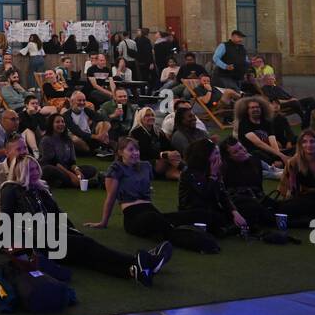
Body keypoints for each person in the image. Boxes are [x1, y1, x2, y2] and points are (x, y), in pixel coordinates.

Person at [0, 172, 171, 287]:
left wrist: (73, 230)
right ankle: (140, 261)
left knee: (87, 257)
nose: (36, 172)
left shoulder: (40, 191)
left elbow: (59, 215)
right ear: (21, 171)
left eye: (36, 168)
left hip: (52, 234)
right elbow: (5, 224)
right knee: (87, 246)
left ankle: (134, 270)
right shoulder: (11, 190)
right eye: (31, 169)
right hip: (38, 241)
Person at [86, 137, 218, 251]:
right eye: (130, 150)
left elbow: (176, 166)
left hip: (152, 211)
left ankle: (219, 230)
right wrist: (103, 222)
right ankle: (198, 242)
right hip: (133, 217)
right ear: (121, 152)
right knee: (156, 220)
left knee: (196, 213)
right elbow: (111, 197)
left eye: (137, 150)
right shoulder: (116, 169)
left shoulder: (145, 166)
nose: (135, 153)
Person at [177, 139, 263, 236]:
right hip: (195, 212)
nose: (219, 157)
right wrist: (213, 176)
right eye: (216, 154)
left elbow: (222, 194)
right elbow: (205, 194)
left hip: (212, 209)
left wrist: (234, 212)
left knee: (248, 205)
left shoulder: (212, 169)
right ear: (206, 156)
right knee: (211, 217)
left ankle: (230, 228)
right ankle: (227, 229)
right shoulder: (190, 173)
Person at [39, 111, 97, 189]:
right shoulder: (46, 140)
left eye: (62, 122)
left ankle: (66, 183)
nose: (61, 124)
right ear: (51, 125)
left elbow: (72, 162)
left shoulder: (68, 140)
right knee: (49, 170)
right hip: (53, 168)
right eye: (57, 122)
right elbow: (53, 161)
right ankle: (79, 183)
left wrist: (77, 171)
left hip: (66, 168)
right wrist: (70, 174)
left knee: (91, 169)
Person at [131, 106, 183, 180]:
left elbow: (168, 146)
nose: (151, 117)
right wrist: (164, 154)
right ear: (141, 118)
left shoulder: (158, 132)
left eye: (152, 115)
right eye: (147, 115)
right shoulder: (136, 133)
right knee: (168, 158)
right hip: (143, 163)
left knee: (172, 161)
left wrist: (174, 152)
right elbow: (144, 152)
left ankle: (183, 177)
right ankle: (188, 172)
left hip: (159, 161)